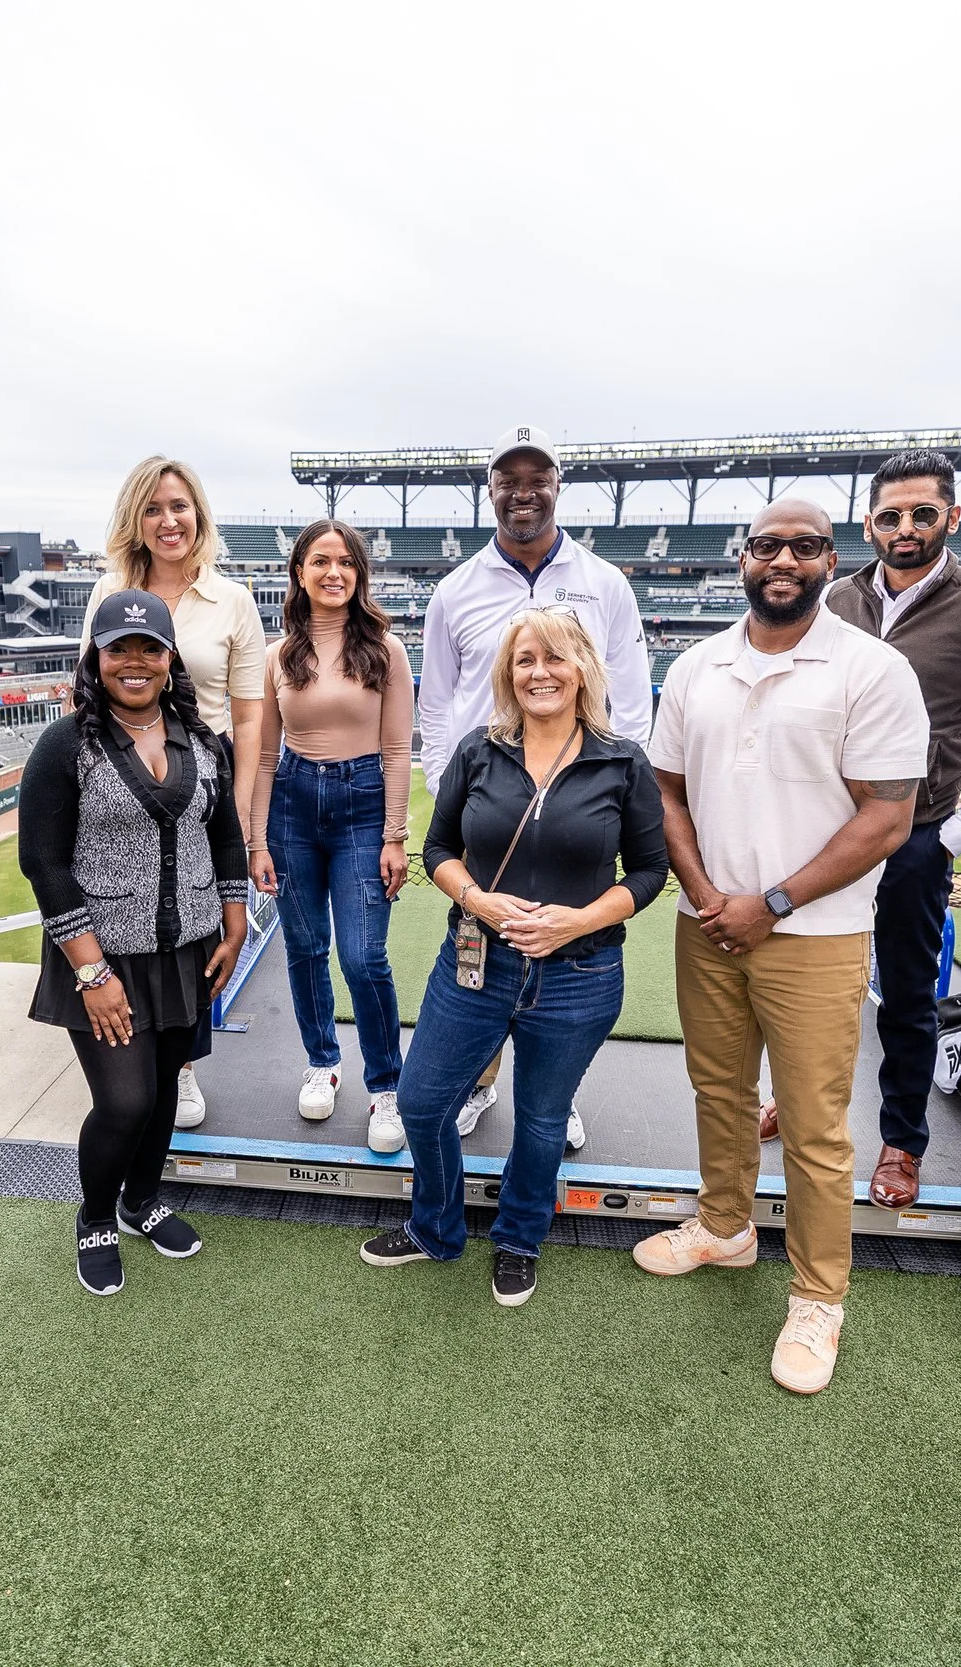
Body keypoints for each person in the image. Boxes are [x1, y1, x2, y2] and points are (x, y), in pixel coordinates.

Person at [634, 498, 929, 1397]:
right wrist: (705, 894)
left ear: (831, 559)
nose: (784, 560)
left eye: (804, 547)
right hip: (708, 922)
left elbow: (889, 816)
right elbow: (666, 792)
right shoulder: (696, 666)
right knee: (719, 1090)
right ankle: (724, 1224)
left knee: (812, 1123)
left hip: (817, 933)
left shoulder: (871, 669)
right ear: (743, 558)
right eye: (768, 546)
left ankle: (818, 1295)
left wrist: (772, 901)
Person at [358, 609, 667, 1308]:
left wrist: (578, 920)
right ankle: (435, 1227)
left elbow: (649, 871)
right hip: (475, 961)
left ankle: (520, 1239)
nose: (540, 672)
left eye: (555, 658)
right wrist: (482, 900)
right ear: (508, 673)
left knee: (541, 1118)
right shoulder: (478, 750)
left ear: (583, 667)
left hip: (580, 974)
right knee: (422, 1099)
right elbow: (436, 851)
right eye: (526, 659)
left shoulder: (622, 760)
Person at [805, 450, 961, 1207]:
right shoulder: (831, 598)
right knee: (810, 985)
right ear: (869, 523)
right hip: (822, 831)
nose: (905, 528)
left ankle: (901, 1140)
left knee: (906, 997)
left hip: (915, 835)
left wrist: (948, 838)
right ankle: (801, 1104)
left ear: (952, 516)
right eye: (889, 515)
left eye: (921, 513)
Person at [416, 425, 654, 1150]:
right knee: (480, 954)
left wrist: (616, 794)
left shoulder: (605, 582)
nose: (523, 491)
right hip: (488, 802)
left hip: (583, 802)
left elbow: (633, 702)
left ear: (557, 485)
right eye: (507, 479)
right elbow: (437, 705)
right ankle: (480, 1083)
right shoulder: (455, 590)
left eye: (537, 477)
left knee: (568, 967)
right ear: (490, 491)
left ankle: (556, 1091)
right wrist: (457, 789)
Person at [23, 590, 251, 1297]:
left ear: (169, 658)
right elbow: (45, 861)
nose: (134, 661)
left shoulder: (203, 740)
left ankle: (141, 1200)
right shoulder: (68, 745)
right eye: (119, 647)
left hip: (187, 949)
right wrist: (91, 970)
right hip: (102, 957)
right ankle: (95, 1216)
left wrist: (235, 912)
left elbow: (224, 834)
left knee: (160, 1095)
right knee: (123, 1102)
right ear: (96, 657)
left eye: (149, 648)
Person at [81, 458, 267, 1131]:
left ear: (199, 515)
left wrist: (242, 810)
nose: (169, 520)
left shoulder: (234, 600)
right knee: (132, 923)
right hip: (126, 782)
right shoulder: (109, 587)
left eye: (180, 506)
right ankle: (144, 1068)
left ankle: (180, 1064)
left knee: (198, 932)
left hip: (204, 784)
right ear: (137, 518)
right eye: (154, 508)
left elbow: (249, 718)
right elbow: (88, 695)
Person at [248, 520, 414, 1147]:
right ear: (299, 572)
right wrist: (257, 840)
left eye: (346, 562)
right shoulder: (278, 655)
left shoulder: (386, 651)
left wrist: (394, 835)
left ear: (359, 574)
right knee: (305, 947)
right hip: (292, 802)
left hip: (364, 804)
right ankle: (322, 1064)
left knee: (364, 956)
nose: (334, 572)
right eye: (320, 560)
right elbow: (264, 757)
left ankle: (385, 1087)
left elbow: (398, 749)